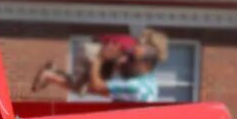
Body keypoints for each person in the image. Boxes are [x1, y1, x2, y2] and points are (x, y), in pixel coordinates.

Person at [33, 29, 167, 103]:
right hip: (92, 53)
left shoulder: (137, 85)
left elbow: (98, 85)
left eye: (131, 58)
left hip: (96, 53)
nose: (127, 60)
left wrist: (103, 59)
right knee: (85, 88)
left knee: (88, 87)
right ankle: (51, 75)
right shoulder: (146, 74)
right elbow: (97, 85)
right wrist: (101, 58)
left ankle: (52, 74)